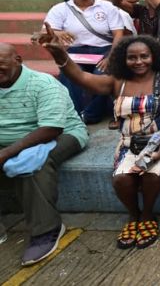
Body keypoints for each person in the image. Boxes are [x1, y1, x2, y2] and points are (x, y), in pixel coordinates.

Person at [38, 30, 160, 249]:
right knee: (121, 180)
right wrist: (60, 56)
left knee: (151, 176)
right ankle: (133, 215)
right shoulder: (117, 82)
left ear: (154, 56)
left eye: (144, 56)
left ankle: (148, 216)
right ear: (123, 58)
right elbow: (83, 78)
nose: (138, 61)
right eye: (132, 57)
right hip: (129, 143)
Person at [0, 43, 88, 266]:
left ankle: (46, 230)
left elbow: (51, 128)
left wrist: (6, 153)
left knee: (32, 162)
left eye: (1, 63)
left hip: (58, 133)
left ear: (18, 60)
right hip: (9, 139)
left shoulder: (42, 83)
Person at [44, 0, 124, 122]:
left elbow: (118, 35)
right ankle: (74, 114)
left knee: (103, 75)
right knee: (69, 75)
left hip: (105, 51)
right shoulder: (60, 9)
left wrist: (111, 57)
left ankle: (91, 115)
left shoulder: (107, 7)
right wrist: (58, 32)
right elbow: (46, 31)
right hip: (76, 53)